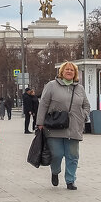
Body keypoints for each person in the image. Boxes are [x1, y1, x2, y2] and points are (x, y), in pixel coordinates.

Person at [36, 61, 91, 190]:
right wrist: (40, 123)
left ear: (75, 73)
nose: (69, 71)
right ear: (61, 72)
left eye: (72, 70)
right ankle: (55, 172)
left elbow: (86, 105)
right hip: (55, 126)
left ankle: (70, 180)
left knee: (73, 156)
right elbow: (43, 104)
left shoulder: (79, 88)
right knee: (57, 154)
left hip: (74, 127)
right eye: (67, 69)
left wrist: (82, 115)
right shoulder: (51, 86)